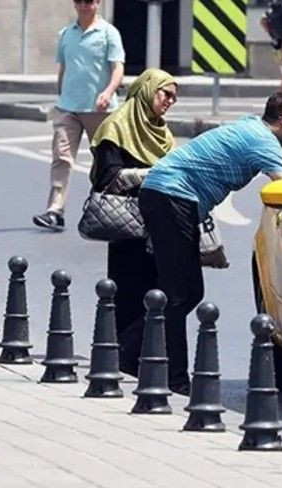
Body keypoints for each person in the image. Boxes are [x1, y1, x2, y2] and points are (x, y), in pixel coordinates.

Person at [137, 93, 282, 393]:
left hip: (170, 197)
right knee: (178, 294)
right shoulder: (262, 140)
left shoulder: (254, 129)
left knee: (187, 292)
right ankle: (171, 377)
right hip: (171, 196)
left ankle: (130, 354)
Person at [88, 69, 177, 376]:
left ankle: (142, 355)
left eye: (174, 98)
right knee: (127, 291)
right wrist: (150, 174)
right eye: (166, 94)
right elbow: (108, 177)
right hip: (125, 224)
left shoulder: (162, 132)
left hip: (158, 223)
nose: (170, 101)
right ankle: (120, 356)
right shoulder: (116, 127)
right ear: (147, 90)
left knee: (158, 290)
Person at [33, 0, 125, 232]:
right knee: (61, 157)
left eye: (88, 0)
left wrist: (108, 91)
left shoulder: (108, 33)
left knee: (105, 161)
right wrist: (61, 94)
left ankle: (107, 208)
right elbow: (63, 67)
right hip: (69, 108)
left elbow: (117, 67)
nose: (84, 5)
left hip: (100, 110)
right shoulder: (66, 34)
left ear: (97, 2)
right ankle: (55, 211)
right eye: (79, 0)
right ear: (74, 2)